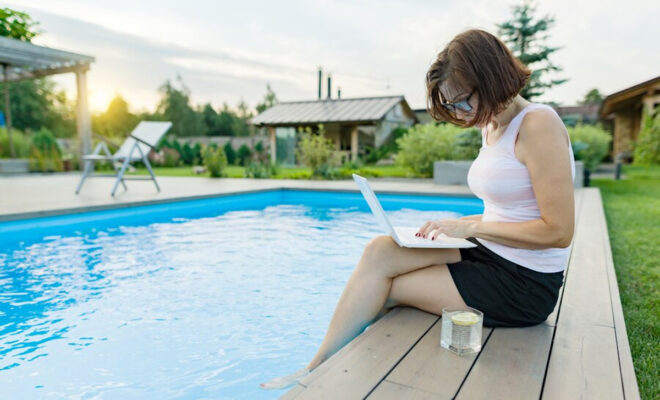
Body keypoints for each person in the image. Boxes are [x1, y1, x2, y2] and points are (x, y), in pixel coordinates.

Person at [260, 28, 575, 390]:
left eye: (462, 101)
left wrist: (472, 229)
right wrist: (456, 223)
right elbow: (507, 211)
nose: (459, 112)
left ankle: (343, 379)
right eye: (452, 106)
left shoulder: (538, 124)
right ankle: (317, 364)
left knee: (387, 288)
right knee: (379, 252)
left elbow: (558, 231)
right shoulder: (490, 126)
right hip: (492, 253)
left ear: (489, 78)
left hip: (524, 282)